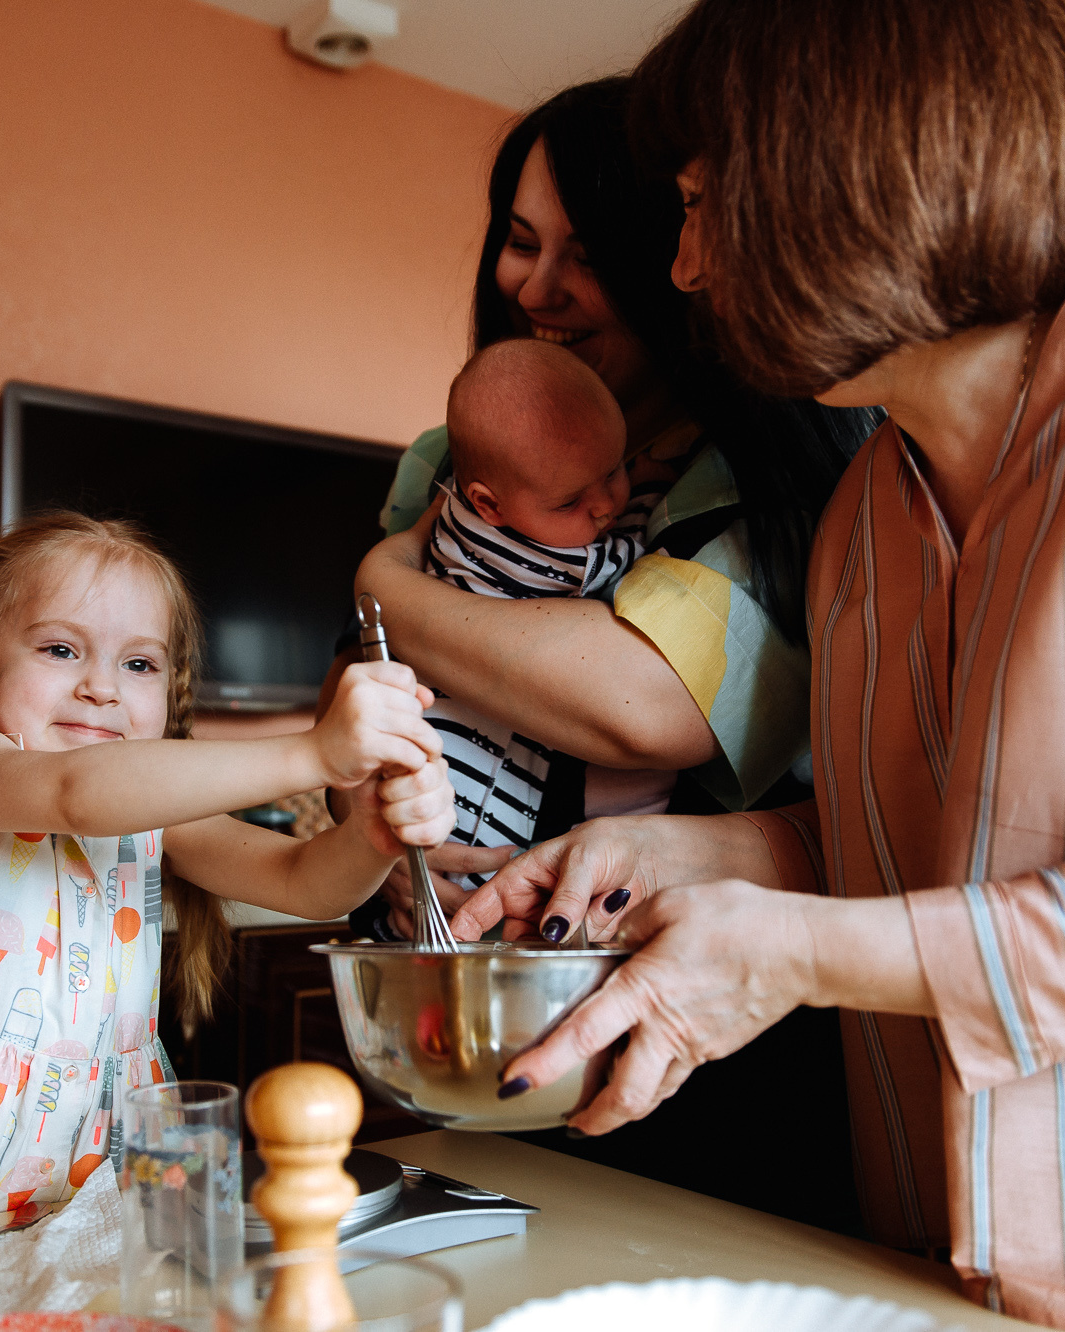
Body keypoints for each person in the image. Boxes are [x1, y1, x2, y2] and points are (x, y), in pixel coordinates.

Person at [458, 1, 1065, 1327]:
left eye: (707, 205)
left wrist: (796, 955)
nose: (693, 270)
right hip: (940, 1281)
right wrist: (710, 860)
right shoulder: (868, 517)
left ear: (856, 165)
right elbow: (950, 847)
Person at [342, 76, 880, 1234]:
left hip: (717, 1040)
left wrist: (384, 576)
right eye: (518, 243)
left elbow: (648, 702)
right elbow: (372, 700)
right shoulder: (448, 453)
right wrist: (370, 831)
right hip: (483, 1021)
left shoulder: (774, 474)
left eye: (582, 251)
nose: (534, 286)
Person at [0, 512, 454, 1231]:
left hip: (101, 1144)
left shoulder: (152, 815)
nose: (102, 688)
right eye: (61, 649)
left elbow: (302, 881)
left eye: (139, 664)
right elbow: (77, 794)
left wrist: (375, 836)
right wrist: (313, 753)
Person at [425, 337, 640, 882]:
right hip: (467, 764)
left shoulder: (454, 516)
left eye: (615, 470)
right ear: (488, 504)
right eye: (570, 502)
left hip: (463, 741)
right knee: (468, 870)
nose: (606, 505)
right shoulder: (536, 556)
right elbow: (624, 568)